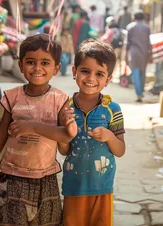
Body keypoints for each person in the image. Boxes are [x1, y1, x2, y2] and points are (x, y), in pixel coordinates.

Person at [0, 34, 77, 226]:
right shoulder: (12, 97)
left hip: (45, 177)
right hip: (13, 175)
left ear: (56, 68)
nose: (37, 68)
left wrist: (33, 126)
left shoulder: (59, 99)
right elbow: (0, 133)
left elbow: (64, 137)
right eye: (31, 62)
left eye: (45, 63)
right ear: (21, 66)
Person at [60, 39, 126, 226]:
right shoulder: (66, 108)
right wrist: (66, 129)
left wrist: (109, 136)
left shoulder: (112, 109)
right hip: (74, 185)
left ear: (108, 79)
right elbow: (64, 150)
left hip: (102, 185)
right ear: (74, 72)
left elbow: (120, 150)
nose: (91, 78)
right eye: (85, 71)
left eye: (99, 74)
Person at [126, 10, 152, 102]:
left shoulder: (130, 27)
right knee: (143, 73)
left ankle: (139, 93)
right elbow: (149, 42)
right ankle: (141, 91)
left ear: (134, 17)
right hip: (144, 53)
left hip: (134, 52)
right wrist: (150, 54)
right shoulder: (147, 27)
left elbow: (127, 42)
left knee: (135, 73)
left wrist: (125, 55)